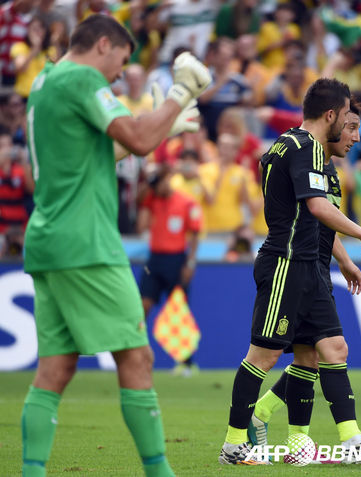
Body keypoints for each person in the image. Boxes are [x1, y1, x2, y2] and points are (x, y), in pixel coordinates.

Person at [20, 14, 210, 476]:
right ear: (103, 44)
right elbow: (139, 140)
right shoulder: (82, 78)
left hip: (47, 241)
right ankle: (159, 472)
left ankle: (31, 471)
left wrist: (165, 125)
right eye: (122, 61)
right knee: (137, 356)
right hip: (87, 243)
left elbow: (95, 156)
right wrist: (180, 92)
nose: (120, 74)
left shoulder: (46, 82)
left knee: (55, 369)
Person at [218, 78, 361, 465]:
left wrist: (344, 260)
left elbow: (314, 217)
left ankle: (350, 441)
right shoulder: (305, 147)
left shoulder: (295, 146)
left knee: (329, 349)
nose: (352, 129)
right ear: (331, 115)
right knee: (263, 356)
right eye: (347, 117)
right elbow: (318, 208)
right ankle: (234, 444)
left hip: (308, 265)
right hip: (286, 264)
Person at [247, 99, 361, 463]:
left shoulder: (328, 170)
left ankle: (287, 434)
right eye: (350, 127)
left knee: (314, 355)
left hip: (316, 267)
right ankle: (344, 440)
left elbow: (322, 224)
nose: (355, 136)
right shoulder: (305, 157)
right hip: (295, 267)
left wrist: (344, 261)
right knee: (317, 352)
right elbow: (313, 212)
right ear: (333, 123)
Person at [137, 165, 202, 377]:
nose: (161, 187)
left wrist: (190, 263)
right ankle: (135, 355)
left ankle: (186, 362)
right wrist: (149, 183)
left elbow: (195, 234)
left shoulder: (186, 202)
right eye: (158, 183)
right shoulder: (152, 199)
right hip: (155, 260)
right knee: (142, 307)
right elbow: (139, 204)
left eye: (163, 181)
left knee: (179, 311)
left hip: (176, 260)